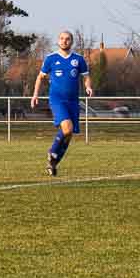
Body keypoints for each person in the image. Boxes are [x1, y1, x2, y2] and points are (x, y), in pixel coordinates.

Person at [31, 31, 93, 176]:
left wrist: (88, 86)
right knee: (67, 128)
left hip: (73, 101)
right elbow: (40, 77)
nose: (64, 41)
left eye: (67, 39)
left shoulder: (78, 59)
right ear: (58, 41)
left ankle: (53, 163)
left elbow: (86, 77)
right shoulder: (51, 58)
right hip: (57, 100)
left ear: (72, 41)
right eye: (62, 38)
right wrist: (35, 95)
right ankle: (52, 151)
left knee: (69, 135)